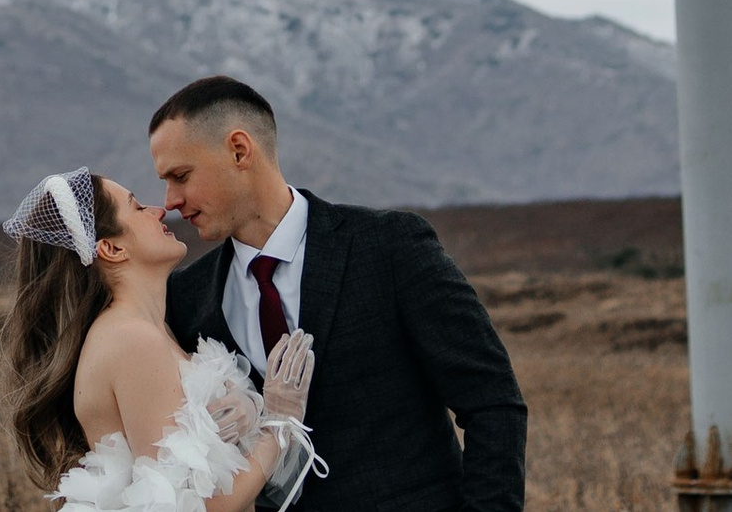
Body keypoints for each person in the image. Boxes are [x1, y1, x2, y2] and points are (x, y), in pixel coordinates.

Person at [152, 76, 527, 512]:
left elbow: (492, 401)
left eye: (181, 176)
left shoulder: (388, 246)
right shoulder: (185, 295)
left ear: (239, 150)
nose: (170, 200)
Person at [0, 167, 328, 512]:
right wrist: (279, 424)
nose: (159, 210)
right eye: (137, 207)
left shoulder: (149, 330)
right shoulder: (131, 340)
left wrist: (252, 413)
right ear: (110, 248)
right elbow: (197, 506)